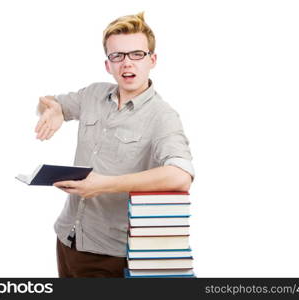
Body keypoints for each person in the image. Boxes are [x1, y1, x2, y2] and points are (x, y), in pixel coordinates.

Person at [34, 12, 195, 278]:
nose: (126, 64)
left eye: (136, 55)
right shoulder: (94, 95)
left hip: (111, 254)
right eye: (117, 56)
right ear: (108, 64)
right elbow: (47, 101)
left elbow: (181, 176)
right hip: (68, 239)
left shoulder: (163, 117)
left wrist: (103, 184)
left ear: (152, 60)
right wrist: (52, 110)